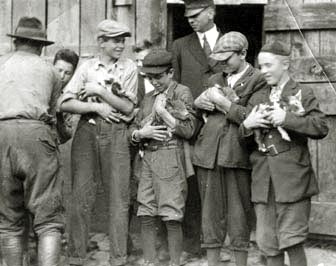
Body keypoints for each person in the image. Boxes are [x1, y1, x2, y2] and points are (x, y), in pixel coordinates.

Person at [240, 40, 329, 266]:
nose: (263, 71)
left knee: (292, 238)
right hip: (264, 182)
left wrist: (287, 119)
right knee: (267, 242)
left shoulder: (302, 92)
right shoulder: (258, 96)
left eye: (268, 65)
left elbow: (320, 127)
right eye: (261, 66)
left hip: (293, 180)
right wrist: (247, 125)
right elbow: (243, 139)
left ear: (285, 64)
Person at [58, 19, 138, 266]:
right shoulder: (87, 67)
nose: (120, 45)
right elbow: (64, 103)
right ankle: (76, 257)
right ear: (101, 42)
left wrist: (100, 91)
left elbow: (127, 107)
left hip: (116, 133)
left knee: (118, 198)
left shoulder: (129, 68)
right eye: (115, 40)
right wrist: (96, 107)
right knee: (80, 196)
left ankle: (118, 258)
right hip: (87, 132)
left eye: (123, 40)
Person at [192, 31, 267, 266]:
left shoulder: (259, 80)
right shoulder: (215, 79)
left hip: (237, 154)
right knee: (210, 216)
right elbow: (198, 115)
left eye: (227, 59)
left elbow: (251, 116)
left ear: (244, 53)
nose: (222, 64)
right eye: (219, 59)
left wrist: (223, 103)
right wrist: (197, 104)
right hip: (208, 154)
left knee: (238, 215)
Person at [0, 16, 63, 266]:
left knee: (9, 221)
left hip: (1, 134)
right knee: (48, 219)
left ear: (16, 42)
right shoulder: (50, 70)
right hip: (36, 134)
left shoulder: (1, 64)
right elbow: (53, 113)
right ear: (40, 45)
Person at [129, 49, 197, 266]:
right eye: (150, 78)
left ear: (171, 73)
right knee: (146, 211)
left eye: (158, 77)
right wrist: (141, 133)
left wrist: (165, 114)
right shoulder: (147, 98)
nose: (154, 82)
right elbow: (134, 127)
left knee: (171, 214)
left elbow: (189, 130)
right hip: (147, 157)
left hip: (171, 154)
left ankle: (175, 262)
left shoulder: (182, 92)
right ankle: (150, 261)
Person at [171, 0, 223, 260]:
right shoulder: (180, 45)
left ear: (211, 12)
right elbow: (175, 88)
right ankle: (192, 244)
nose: (190, 19)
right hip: (192, 125)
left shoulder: (231, 43)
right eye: (187, 16)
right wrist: (187, 112)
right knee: (191, 184)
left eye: (196, 14)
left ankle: (219, 242)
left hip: (224, 125)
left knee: (220, 183)